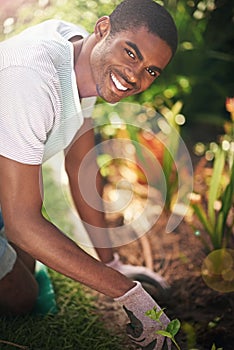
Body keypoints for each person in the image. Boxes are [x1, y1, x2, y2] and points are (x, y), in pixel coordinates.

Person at [0, 0, 178, 348]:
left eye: (151, 71)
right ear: (103, 29)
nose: (135, 77)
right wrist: (128, 294)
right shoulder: (32, 79)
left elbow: (80, 162)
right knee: (22, 297)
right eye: (131, 53)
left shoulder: (83, 59)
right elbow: (23, 223)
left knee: (32, 259)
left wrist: (111, 262)